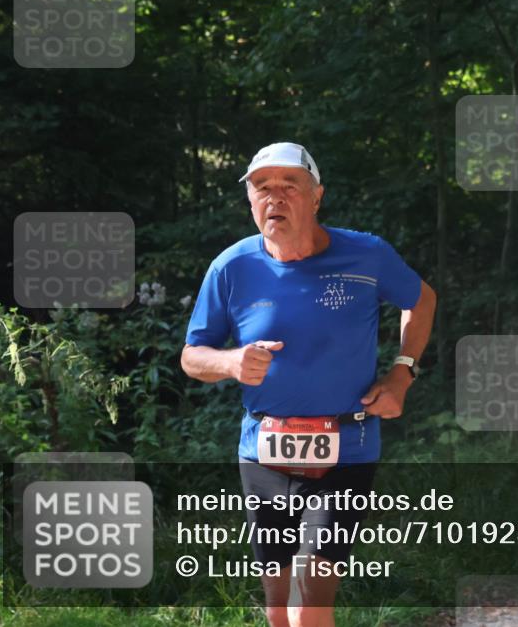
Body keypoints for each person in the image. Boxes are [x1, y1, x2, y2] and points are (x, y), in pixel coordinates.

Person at [180, 142, 436, 627]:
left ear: (316, 197)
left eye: (288, 186)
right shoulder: (232, 267)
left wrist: (402, 373)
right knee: (278, 608)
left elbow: (421, 300)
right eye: (262, 188)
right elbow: (193, 356)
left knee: (310, 604)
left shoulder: (367, 254)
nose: (274, 197)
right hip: (264, 451)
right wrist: (232, 362)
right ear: (251, 202)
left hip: (347, 447)